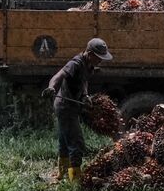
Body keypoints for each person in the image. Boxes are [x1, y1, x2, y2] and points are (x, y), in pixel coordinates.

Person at [43, 37, 112, 182]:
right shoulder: (75, 63)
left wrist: (85, 95)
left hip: (72, 106)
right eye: (98, 57)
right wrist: (51, 87)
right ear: (89, 53)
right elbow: (59, 75)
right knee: (77, 143)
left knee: (64, 140)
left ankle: (62, 174)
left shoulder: (89, 65)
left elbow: (83, 80)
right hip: (65, 106)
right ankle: (74, 180)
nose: (100, 61)